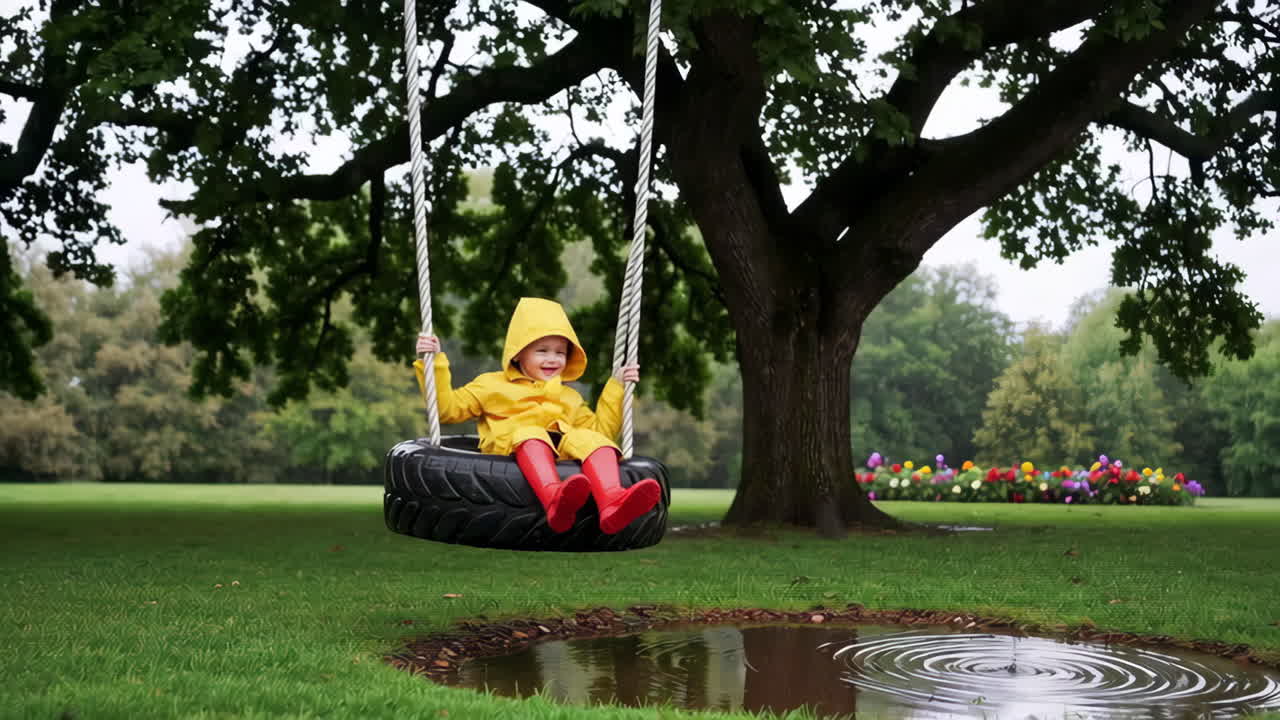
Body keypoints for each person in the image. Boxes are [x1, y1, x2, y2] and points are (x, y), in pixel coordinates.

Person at [413, 297, 661, 535]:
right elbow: (446, 409)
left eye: (560, 352)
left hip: (559, 451)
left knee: (594, 442)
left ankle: (612, 501)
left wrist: (617, 387)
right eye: (542, 351)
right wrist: (433, 362)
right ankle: (554, 499)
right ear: (518, 353)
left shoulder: (568, 397)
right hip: (511, 450)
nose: (552, 359)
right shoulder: (490, 386)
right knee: (531, 434)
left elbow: (601, 432)